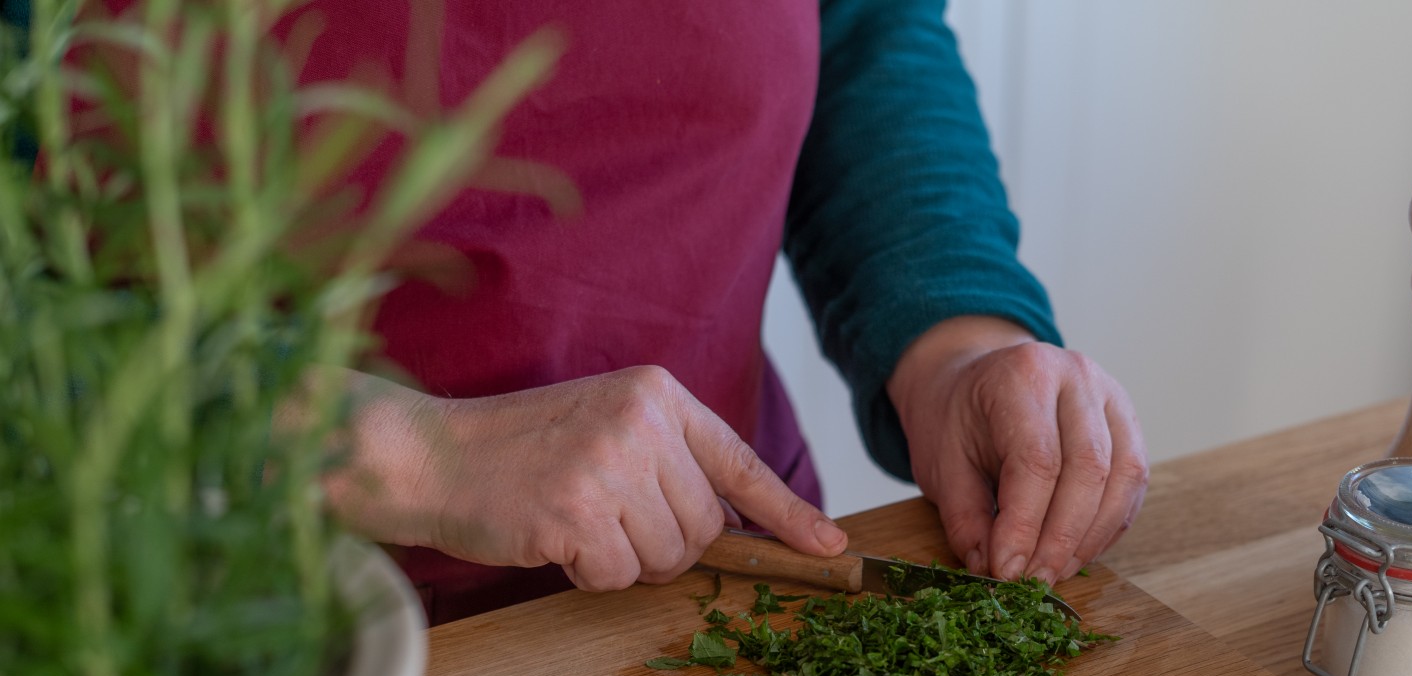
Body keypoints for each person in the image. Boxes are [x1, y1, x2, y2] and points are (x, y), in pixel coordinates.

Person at [83, 0, 1151, 625]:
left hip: (717, 590)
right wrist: (408, 453)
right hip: (215, 665)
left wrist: (956, 338)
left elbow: (857, 31)